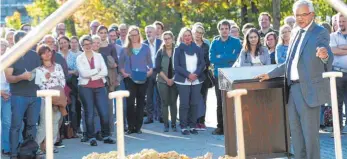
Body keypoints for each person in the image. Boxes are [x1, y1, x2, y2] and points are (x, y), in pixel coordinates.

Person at [256, 1, 333, 158]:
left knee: (310, 137)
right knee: (296, 136)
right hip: (292, 91)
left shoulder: (320, 32)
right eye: (297, 15)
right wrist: (270, 74)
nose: (300, 18)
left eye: (304, 14)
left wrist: (324, 55)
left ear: (312, 14)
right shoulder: (296, 31)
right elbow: (289, 62)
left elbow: (326, 53)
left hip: (309, 91)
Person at [5, 31, 42, 159]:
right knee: (16, 125)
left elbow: (39, 73)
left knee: (32, 125)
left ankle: (30, 152)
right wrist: (21, 77)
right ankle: (14, 153)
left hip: (34, 95)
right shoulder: (11, 56)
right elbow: (9, 78)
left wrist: (43, 75)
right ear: (16, 42)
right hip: (18, 95)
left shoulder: (35, 55)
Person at [76, 35, 116, 146]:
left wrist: (91, 75)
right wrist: (96, 71)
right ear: (82, 46)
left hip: (99, 87)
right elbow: (83, 74)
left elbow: (104, 72)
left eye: (90, 43)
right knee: (89, 113)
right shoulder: (79, 58)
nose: (88, 46)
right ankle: (91, 137)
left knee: (104, 112)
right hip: (85, 88)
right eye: (85, 44)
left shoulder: (98, 56)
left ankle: (106, 136)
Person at [119, 26, 153, 135]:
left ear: (139, 35)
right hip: (130, 79)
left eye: (135, 34)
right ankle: (130, 126)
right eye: (131, 35)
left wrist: (149, 72)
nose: (134, 37)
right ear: (129, 36)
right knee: (130, 103)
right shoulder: (125, 49)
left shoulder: (145, 47)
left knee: (140, 103)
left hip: (143, 78)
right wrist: (124, 73)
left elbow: (150, 63)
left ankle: (138, 127)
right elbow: (120, 65)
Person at [209, 20, 242, 135]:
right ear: (219, 30)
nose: (224, 31)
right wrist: (229, 57)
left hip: (233, 75)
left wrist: (222, 57)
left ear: (229, 29)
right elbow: (213, 59)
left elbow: (238, 57)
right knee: (220, 102)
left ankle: (234, 127)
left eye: (226, 28)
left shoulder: (237, 42)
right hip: (220, 76)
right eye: (222, 29)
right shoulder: (214, 43)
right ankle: (221, 127)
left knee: (233, 100)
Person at [174, 27, 205, 135]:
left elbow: (202, 64)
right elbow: (176, 66)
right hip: (183, 80)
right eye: (185, 35)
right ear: (181, 37)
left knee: (194, 104)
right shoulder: (178, 49)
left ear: (191, 37)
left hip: (196, 79)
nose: (187, 37)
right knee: (184, 104)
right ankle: (183, 126)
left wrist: (195, 74)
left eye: (189, 35)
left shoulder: (197, 48)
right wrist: (188, 75)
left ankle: (192, 126)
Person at [35, 44, 65, 154]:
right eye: (44, 53)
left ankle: (50, 145)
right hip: (45, 99)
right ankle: (37, 146)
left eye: (49, 51)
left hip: (58, 97)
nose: (47, 54)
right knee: (44, 123)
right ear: (40, 56)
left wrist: (51, 79)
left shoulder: (58, 66)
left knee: (55, 121)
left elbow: (62, 82)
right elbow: (39, 85)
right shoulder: (38, 69)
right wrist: (48, 80)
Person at [155, 31, 178, 132]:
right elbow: (157, 68)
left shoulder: (177, 51)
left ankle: (173, 124)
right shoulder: (160, 52)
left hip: (175, 80)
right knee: (164, 103)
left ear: (172, 39)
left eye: (169, 38)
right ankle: (165, 124)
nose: (167, 40)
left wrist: (172, 79)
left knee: (173, 102)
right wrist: (167, 79)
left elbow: (181, 66)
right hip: (162, 80)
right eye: (165, 39)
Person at [57, 36, 80, 138]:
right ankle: (62, 132)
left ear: (68, 43)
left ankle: (74, 130)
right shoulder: (57, 56)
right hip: (60, 85)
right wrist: (69, 71)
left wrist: (66, 72)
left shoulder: (74, 56)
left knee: (73, 108)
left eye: (65, 42)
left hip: (72, 85)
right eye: (61, 43)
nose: (63, 44)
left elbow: (77, 71)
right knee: (61, 108)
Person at [329, 12, 347, 137]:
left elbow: (338, 50)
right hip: (338, 72)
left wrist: (342, 47)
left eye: (343, 21)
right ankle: (338, 130)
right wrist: (339, 49)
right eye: (339, 21)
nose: (340, 24)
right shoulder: (332, 36)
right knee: (337, 103)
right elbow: (333, 50)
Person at [192, 24, 211, 131]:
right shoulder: (188, 44)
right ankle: (193, 121)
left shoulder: (205, 46)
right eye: (196, 32)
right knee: (192, 99)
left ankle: (201, 121)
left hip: (203, 76)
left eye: (200, 33)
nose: (198, 34)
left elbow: (206, 63)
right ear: (193, 32)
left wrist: (197, 73)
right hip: (189, 76)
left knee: (203, 99)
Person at [143, 25, 163, 124]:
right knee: (149, 95)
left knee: (160, 95)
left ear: (155, 33)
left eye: (150, 32)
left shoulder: (161, 43)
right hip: (148, 72)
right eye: (147, 32)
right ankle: (149, 117)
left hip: (159, 71)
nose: (148, 34)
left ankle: (161, 116)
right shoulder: (143, 44)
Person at [1, 38, 13, 156]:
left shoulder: (10, 60)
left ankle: (6, 147)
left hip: (8, 94)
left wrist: (7, 92)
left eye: (3, 45)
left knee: (7, 122)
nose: (1, 47)